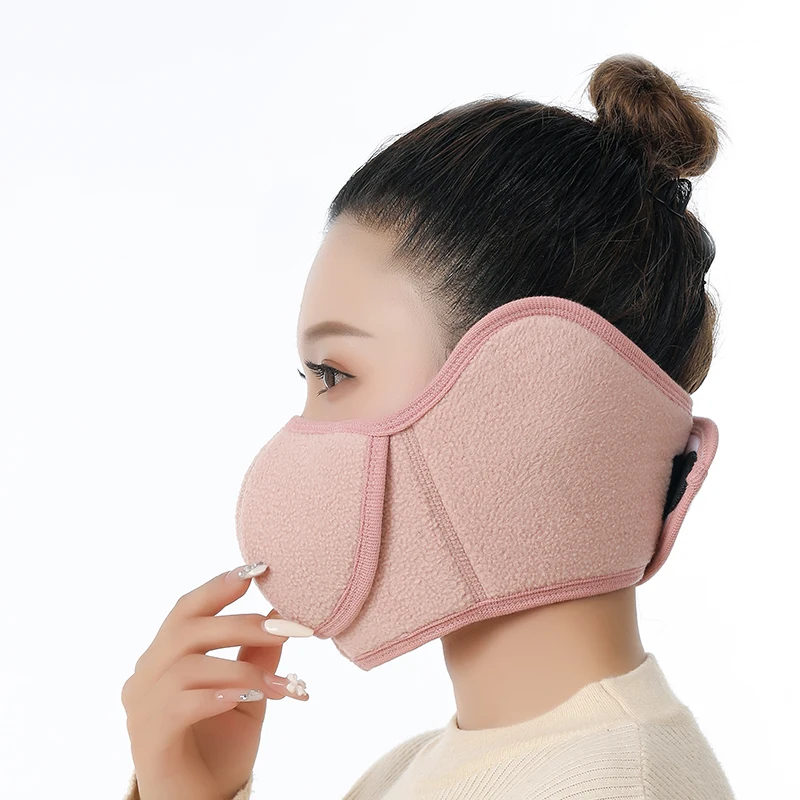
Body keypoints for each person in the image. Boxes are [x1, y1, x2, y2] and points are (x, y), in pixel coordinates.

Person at [120, 53, 737, 799]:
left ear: (532, 401)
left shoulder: (609, 787)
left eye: (333, 375)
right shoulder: (429, 769)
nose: (297, 437)